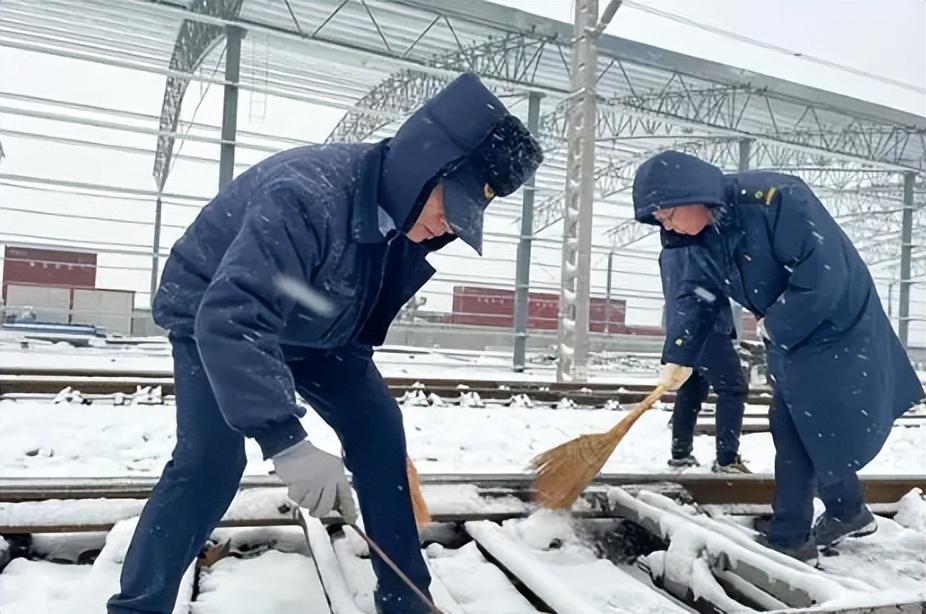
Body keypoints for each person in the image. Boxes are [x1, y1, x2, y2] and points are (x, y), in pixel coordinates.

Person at [107, 73, 543, 614]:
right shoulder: (306, 195)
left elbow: (359, 314)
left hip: (318, 336)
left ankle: (406, 597)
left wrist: (357, 410)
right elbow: (233, 318)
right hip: (211, 314)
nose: (449, 227)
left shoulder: (405, 221)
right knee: (209, 462)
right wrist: (285, 440)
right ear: (422, 167)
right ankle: (137, 607)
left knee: (380, 432)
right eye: (447, 206)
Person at [634, 150, 923, 561]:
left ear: (692, 195)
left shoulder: (774, 198)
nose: (667, 225)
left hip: (837, 321)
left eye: (667, 215)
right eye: (660, 221)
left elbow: (824, 275)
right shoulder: (697, 239)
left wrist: (774, 324)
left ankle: (793, 534)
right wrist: (679, 355)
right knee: (799, 423)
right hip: (788, 330)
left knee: (805, 421)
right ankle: (845, 511)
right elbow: (696, 298)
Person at [659, 230, 748, 473]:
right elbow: (704, 289)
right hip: (706, 325)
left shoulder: (667, 253)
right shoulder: (698, 249)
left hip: (679, 326)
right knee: (734, 388)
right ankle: (727, 458)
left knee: (692, 387)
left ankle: (680, 452)